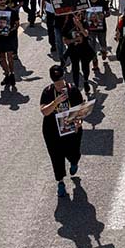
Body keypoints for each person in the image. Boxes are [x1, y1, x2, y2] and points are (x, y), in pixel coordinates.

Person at [40, 65, 85, 197]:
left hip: (71, 128)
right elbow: (44, 111)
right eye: (56, 83)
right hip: (52, 130)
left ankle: (74, 161)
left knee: (73, 152)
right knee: (56, 156)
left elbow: (81, 109)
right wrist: (56, 102)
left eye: (60, 82)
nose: (59, 86)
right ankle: (60, 182)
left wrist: (79, 122)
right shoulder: (48, 92)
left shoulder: (73, 90)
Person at [62, 11, 95, 94]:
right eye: (77, 15)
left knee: (85, 67)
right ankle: (76, 87)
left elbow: (86, 34)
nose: (79, 17)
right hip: (73, 50)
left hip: (84, 49)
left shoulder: (84, 23)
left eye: (80, 15)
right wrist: (75, 40)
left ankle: (86, 81)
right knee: (75, 68)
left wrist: (80, 26)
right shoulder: (68, 25)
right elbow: (65, 41)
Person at [0, 0, 20, 88]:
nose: (3, 1)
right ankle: (6, 74)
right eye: (0, 0)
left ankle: (12, 74)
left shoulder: (12, 11)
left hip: (9, 37)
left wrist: (11, 30)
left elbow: (17, 24)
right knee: (2, 57)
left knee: (10, 57)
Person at [86, 0, 110, 71]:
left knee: (102, 43)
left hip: (101, 27)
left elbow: (108, 13)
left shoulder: (102, 2)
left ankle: (104, 52)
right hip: (90, 28)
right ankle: (95, 63)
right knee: (92, 46)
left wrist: (104, 15)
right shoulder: (87, 3)